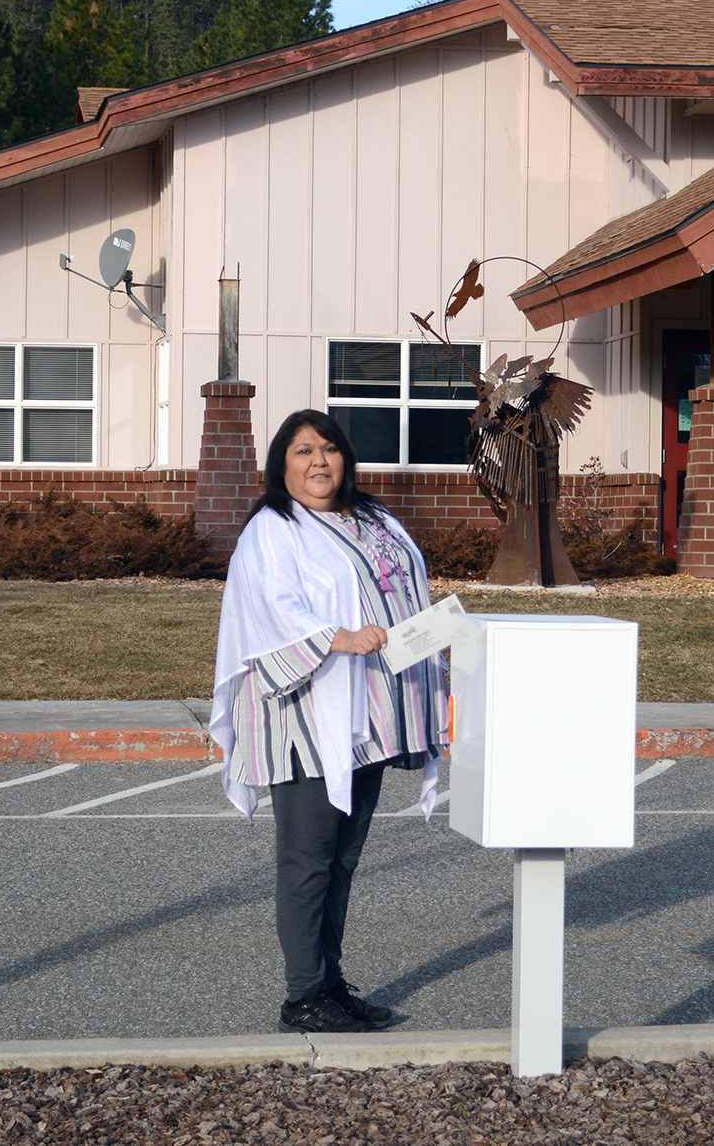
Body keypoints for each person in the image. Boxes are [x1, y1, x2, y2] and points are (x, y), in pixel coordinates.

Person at [210, 409, 448, 1035]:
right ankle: (302, 997)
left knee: (343, 860)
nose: (318, 461)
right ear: (280, 465)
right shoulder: (273, 528)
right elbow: (270, 609)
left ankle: (330, 984)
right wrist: (339, 638)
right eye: (302, 451)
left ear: (346, 457)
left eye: (329, 449)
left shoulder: (375, 519)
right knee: (308, 859)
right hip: (306, 713)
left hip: (365, 715)